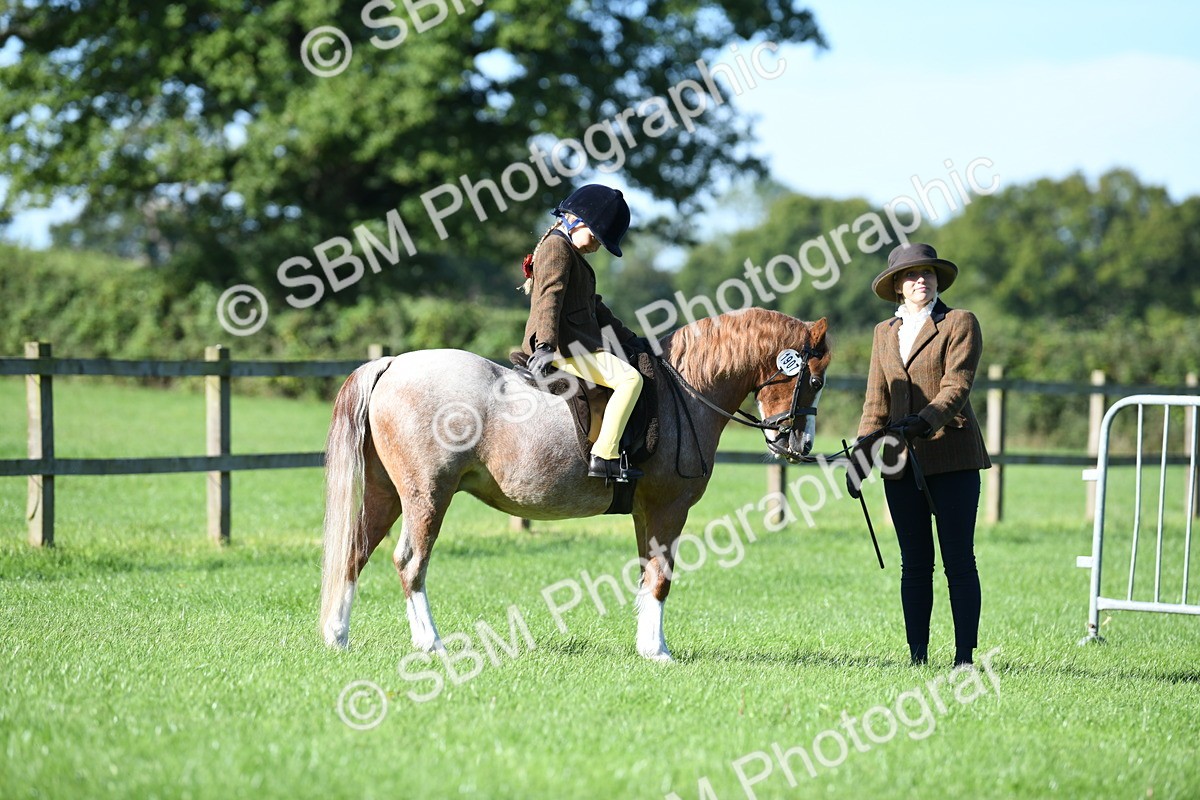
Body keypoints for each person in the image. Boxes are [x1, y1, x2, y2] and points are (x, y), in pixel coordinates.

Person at [847, 242, 992, 668]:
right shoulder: (882, 334)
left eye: (927, 273)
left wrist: (924, 420)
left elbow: (957, 386)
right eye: (911, 275)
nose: (920, 280)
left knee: (959, 561)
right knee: (914, 565)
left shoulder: (959, 322)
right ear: (897, 287)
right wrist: (861, 456)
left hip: (953, 456)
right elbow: (875, 401)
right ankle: (918, 657)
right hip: (900, 464)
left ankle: (964, 657)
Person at [521, 184, 646, 483]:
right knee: (630, 379)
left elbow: (595, 308)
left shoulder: (572, 254)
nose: (596, 246)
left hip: (576, 344)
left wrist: (630, 339)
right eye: (595, 238)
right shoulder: (556, 247)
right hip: (565, 347)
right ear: (576, 221)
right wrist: (545, 345)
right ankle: (605, 455)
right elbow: (550, 296)